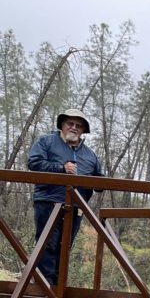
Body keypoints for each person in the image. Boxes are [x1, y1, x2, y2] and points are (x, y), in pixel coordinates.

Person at [26, 108, 104, 285]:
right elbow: (34, 163)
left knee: (65, 247)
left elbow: (99, 179)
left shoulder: (90, 155)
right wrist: (61, 168)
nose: (74, 128)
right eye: (70, 123)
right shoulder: (46, 141)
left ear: (83, 130)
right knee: (47, 245)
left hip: (76, 207)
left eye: (79, 125)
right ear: (62, 125)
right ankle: (45, 288)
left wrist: (99, 184)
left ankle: (58, 288)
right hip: (48, 202)